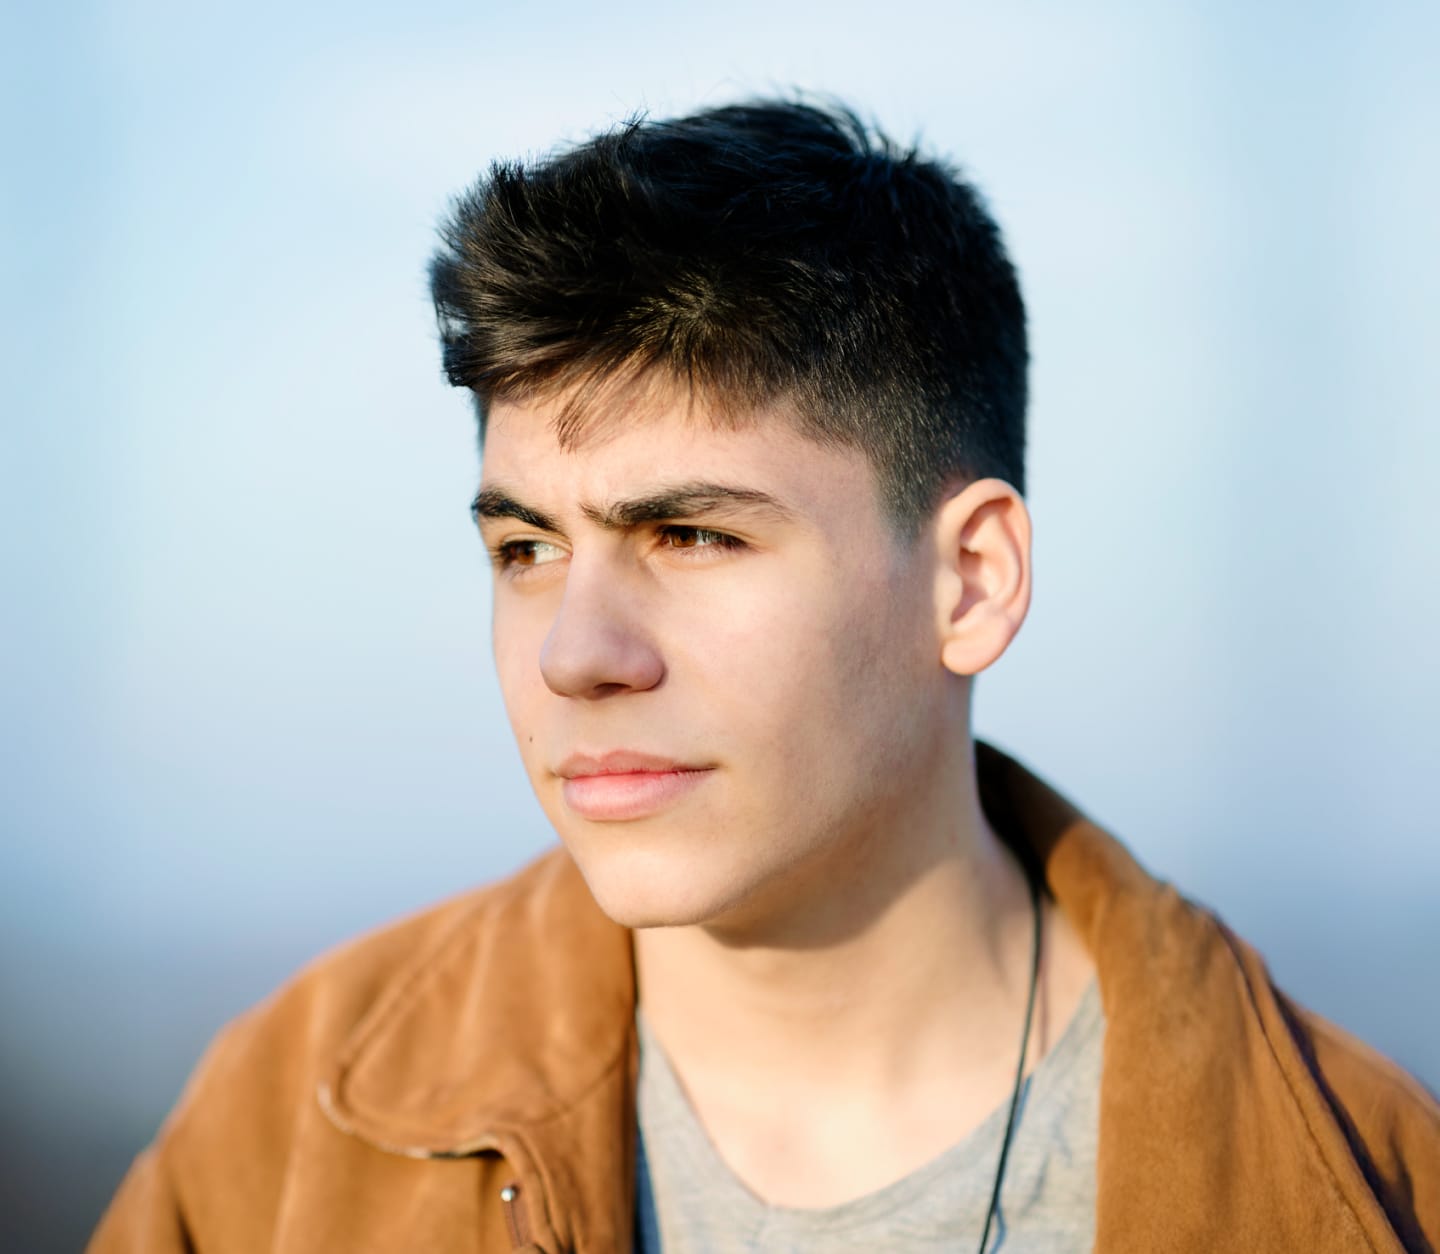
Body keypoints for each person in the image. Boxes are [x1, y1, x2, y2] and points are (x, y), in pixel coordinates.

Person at [90, 98, 1439, 1254]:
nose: (576, 651)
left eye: (689, 534)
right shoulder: (288, 1127)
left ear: (969, 579)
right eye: (524, 546)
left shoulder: (1359, 1183)